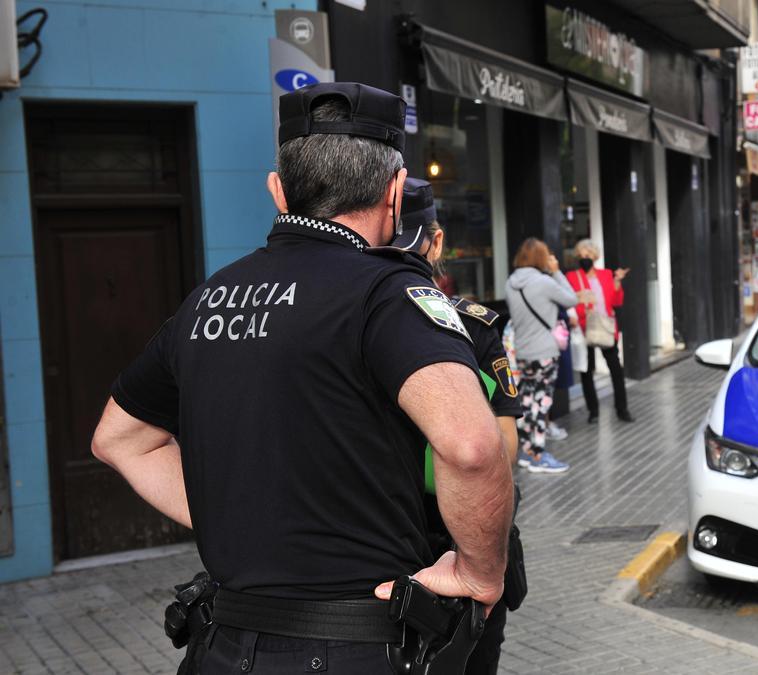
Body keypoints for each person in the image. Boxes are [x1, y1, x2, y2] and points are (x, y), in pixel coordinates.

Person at [90, 82, 512, 673]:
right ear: (395, 193)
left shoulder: (209, 299)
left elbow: (117, 440)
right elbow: (471, 446)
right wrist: (478, 571)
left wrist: (233, 517)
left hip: (222, 647)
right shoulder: (388, 293)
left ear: (278, 191)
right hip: (353, 645)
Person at [390, 177, 523, 675]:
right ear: (437, 240)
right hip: (456, 543)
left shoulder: (475, 326)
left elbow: (501, 444)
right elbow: (499, 447)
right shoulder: (474, 327)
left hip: (421, 543)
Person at [505, 238, 579, 473]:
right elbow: (571, 299)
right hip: (545, 352)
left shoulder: (510, 282)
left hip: (523, 352)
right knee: (541, 403)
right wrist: (557, 273)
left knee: (527, 401)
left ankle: (527, 451)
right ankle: (537, 454)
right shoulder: (544, 282)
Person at [566, 239, 633, 424]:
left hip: (604, 327)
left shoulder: (606, 275)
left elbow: (616, 302)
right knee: (587, 372)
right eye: (581, 256)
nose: (584, 258)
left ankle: (622, 409)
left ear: (594, 256)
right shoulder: (572, 277)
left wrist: (617, 281)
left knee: (615, 370)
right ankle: (593, 411)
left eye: (587, 255)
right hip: (583, 327)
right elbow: (568, 301)